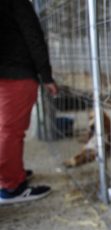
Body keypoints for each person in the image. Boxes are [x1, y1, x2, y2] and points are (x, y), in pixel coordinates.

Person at [0, 0, 58, 204]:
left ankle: (10, 172)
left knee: (6, 130)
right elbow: (33, 35)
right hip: (15, 72)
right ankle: (11, 187)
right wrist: (46, 75)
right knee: (11, 131)